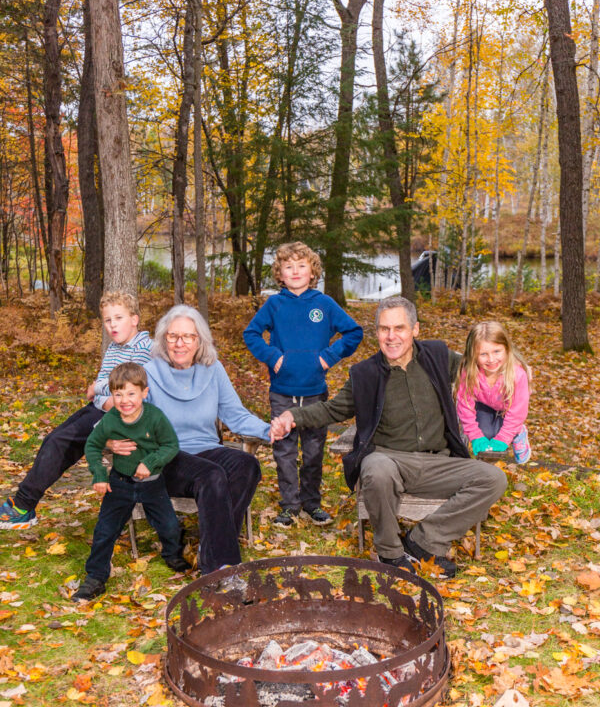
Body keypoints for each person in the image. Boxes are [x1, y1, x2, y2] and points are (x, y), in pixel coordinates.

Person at [270, 295, 507, 578]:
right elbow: (332, 409)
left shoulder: (438, 355)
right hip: (390, 461)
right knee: (376, 468)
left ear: (415, 329)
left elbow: (480, 363)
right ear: (377, 332)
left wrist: (514, 372)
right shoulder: (365, 373)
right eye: (384, 329)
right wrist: (292, 416)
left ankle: (423, 542)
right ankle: (391, 553)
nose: (391, 337)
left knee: (493, 478)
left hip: (438, 463)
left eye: (399, 328)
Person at [110, 305, 271, 575]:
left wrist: (270, 430)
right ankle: (220, 568)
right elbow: (123, 413)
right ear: (164, 340)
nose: (180, 343)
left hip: (207, 451)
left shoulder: (213, 370)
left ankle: (210, 548)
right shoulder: (146, 373)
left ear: (199, 341)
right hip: (165, 458)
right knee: (212, 474)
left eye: (188, 337)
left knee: (247, 465)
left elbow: (235, 414)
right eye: (173, 336)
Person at [0, 291, 152, 531]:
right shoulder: (114, 348)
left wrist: (98, 389)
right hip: (100, 409)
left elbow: (126, 393)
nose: (112, 325)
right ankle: (23, 505)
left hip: (119, 417)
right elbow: (107, 386)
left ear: (134, 319)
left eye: (119, 318)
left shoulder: (143, 347)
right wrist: (103, 392)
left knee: (62, 442)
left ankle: (22, 506)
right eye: (108, 320)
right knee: (54, 438)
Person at [243, 242, 363, 527]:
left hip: (315, 392)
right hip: (282, 391)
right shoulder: (274, 304)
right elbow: (252, 334)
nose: (295, 271)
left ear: (312, 272)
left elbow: (353, 332)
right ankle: (289, 506)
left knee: (313, 451)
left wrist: (327, 358)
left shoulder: (324, 304)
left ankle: (311, 503)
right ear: (280, 274)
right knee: (284, 450)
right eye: (288, 266)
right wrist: (273, 357)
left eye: (301, 265)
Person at [73, 362, 188, 602]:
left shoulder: (154, 417)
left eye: (131, 393)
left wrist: (151, 462)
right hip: (120, 483)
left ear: (144, 393)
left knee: (168, 525)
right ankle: (95, 577)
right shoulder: (110, 420)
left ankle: (173, 554)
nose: (125, 400)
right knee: (104, 531)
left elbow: (171, 445)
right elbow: (92, 446)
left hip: (152, 483)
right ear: (111, 396)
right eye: (118, 394)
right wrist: (100, 475)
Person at [455, 321, 531, 464]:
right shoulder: (470, 373)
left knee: (500, 434)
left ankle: (518, 432)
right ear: (473, 355)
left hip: (507, 407)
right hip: (484, 404)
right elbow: (465, 407)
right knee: (487, 436)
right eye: (483, 354)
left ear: (507, 349)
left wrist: (503, 439)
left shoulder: (517, 375)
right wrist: (475, 436)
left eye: (497, 351)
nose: (491, 359)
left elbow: (516, 412)